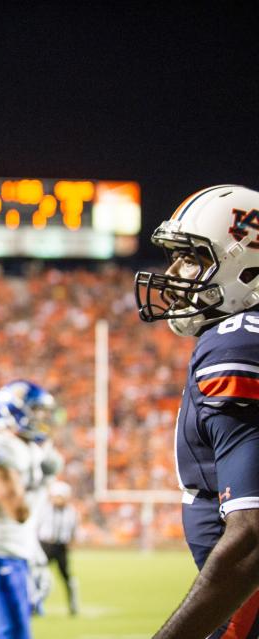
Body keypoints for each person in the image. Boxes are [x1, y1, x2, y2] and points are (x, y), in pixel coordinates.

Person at [135, 185, 259, 639]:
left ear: (246, 267)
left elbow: (252, 539)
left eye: (191, 258)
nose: (173, 272)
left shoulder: (239, 343)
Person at [0, 381, 61, 639]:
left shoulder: (27, 447)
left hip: (16, 557)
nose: (43, 418)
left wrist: (34, 557)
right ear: (15, 410)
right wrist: (45, 479)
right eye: (37, 410)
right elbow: (18, 512)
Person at [37, 480, 78, 616]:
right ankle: (35, 604)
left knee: (67, 577)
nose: (57, 500)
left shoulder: (71, 512)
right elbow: (36, 527)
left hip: (61, 547)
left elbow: (73, 531)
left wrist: (71, 544)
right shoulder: (44, 509)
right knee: (38, 575)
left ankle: (73, 606)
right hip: (45, 545)